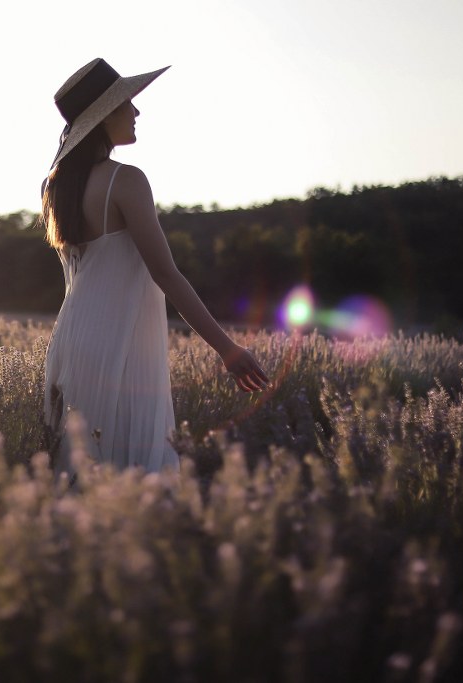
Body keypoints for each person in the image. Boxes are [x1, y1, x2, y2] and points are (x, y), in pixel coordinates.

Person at [41, 58, 271, 476]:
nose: (136, 111)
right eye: (128, 102)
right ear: (105, 113)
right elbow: (166, 274)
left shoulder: (58, 188)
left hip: (73, 344)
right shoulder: (125, 180)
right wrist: (228, 349)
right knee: (136, 473)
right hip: (121, 346)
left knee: (79, 476)